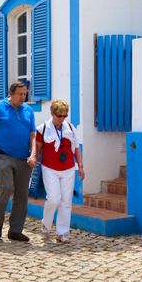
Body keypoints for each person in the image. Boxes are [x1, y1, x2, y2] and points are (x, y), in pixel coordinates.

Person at [0, 80, 37, 242]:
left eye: (25, 94)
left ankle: (15, 230)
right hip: (3, 155)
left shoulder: (29, 111)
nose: (23, 97)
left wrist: (33, 154)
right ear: (11, 94)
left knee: (22, 194)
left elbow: (33, 137)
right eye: (20, 94)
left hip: (23, 158)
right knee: (6, 187)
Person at [35, 99, 84, 243]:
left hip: (68, 168)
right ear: (52, 113)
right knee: (54, 199)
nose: (62, 118)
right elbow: (37, 148)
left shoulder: (70, 128)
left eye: (64, 115)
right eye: (59, 115)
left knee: (66, 201)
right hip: (49, 168)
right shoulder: (42, 129)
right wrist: (32, 158)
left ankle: (62, 233)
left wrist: (80, 166)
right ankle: (46, 224)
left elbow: (76, 148)